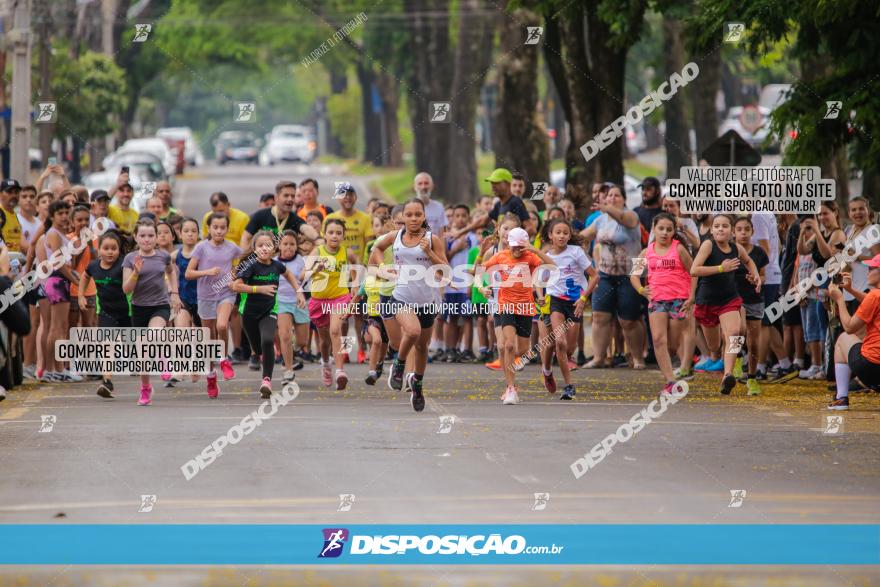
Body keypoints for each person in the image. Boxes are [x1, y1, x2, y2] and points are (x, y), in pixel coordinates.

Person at [369, 198, 447, 412]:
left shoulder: (433, 239)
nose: (413, 219)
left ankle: (417, 386)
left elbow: (445, 271)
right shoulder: (395, 236)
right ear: (402, 217)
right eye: (409, 215)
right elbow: (376, 248)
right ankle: (399, 364)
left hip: (427, 301)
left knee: (422, 347)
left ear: (424, 217)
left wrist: (429, 253)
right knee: (412, 332)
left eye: (418, 215)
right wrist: (384, 267)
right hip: (401, 296)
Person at [479, 227, 554, 404]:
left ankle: (511, 384)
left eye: (520, 247)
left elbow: (552, 267)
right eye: (514, 246)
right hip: (506, 305)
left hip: (526, 307)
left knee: (522, 351)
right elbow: (481, 270)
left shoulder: (531, 257)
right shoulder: (501, 256)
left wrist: (535, 250)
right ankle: (511, 388)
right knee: (508, 346)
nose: (517, 250)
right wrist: (482, 287)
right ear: (508, 244)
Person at [691, 214, 760, 395]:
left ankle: (727, 375)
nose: (721, 229)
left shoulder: (736, 248)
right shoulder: (708, 245)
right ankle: (723, 356)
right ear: (712, 230)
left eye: (725, 226)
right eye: (717, 226)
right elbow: (694, 270)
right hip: (707, 301)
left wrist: (755, 275)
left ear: (731, 231)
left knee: (735, 334)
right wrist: (721, 268)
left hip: (729, 299)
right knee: (714, 347)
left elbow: (749, 261)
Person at [579, 185, 645, 369]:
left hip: (629, 276)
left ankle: (638, 358)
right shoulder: (600, 221)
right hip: (605, 275)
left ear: (624, 199)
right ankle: (599, 358)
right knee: (599, 316)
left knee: (629, 320)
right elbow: (583, 236)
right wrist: (560, 235)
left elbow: (625, 219)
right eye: (609, 195)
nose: (613, 198)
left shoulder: (631, 216)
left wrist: (606, 207)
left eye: (617, 195)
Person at [232, 230, 305, 398]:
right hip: (249, 312)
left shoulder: (276, 265)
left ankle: (266, 381)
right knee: (257, 349)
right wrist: (259, 289)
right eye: (260, 246)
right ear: (254, 248)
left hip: (270, 310)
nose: (264, 249)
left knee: (267, 340)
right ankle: (262, 351)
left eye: (268, 245)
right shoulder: (250, 265)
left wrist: (299, 292)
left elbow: (289, 275)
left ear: (274, 248)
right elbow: (237, 286)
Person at [631, 213, 696, 395]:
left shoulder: (680, 249)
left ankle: (677, 364)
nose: (665, 233)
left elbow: (694, 272)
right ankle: (670, 381)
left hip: (679, 299)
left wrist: (692, 297)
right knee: (659, 340)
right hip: (657, 300)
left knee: (672, 344)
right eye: (661, 229)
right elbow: (634, 275)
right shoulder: (646, 251)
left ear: (674, 231)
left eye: (669, 229)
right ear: (654, 229)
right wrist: (641, 290)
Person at [122, 220, 181, 405]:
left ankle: (163, 358)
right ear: (136, 237)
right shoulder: (130, 259)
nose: (147, 240)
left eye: (150, 236)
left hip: (160, 305)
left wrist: (174, 292)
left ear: (156, 237)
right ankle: (146, 388)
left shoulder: (163, 256)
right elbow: (126, 289)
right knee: (142, 356)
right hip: (139, 308)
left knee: (155, 334)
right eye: (142, 236)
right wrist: (135, 273)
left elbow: (171, 273)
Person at [186, 213, 242, 397]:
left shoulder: (232, 247)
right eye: (215, 227)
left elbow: (245, 263)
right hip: (205, 297)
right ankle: (211, 376)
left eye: (222, 227)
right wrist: (207, 272)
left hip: (226, 293)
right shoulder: (201, 248)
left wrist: (235, 277)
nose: (219, 230)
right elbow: (188, 273)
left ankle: (224, 359)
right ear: (208, 229)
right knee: (208, 339)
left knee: (222, 325)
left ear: (227, 229)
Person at [541, 218, 596, 399]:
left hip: (575, 303)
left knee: (569, 348)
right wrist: (540, 298)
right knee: (560, 342)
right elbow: (539, 280)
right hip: (556, 301)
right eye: (558, 232)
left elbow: (595, 277)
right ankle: (567, 384)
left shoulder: (576, 252)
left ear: (570, 235)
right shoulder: (548, 256)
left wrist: (583, 299)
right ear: (551, 235)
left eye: (565, 233)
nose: (562, 236)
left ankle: (552, 370)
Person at [304, 219, 358, 390]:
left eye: (338, 233)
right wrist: (315, 270)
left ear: (343, 235)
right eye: (331, 232)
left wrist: (355, 284)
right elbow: (302, 275)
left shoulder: (346, 252)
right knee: (324, 341)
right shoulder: (317, 251)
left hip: (340, 298)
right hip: (319, 300)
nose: (335, 236)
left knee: (336, 330)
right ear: (324, 234)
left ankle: (340, 371)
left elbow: (356, 264)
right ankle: (326, 363)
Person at [796, 203, 845, 379]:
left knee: (830, 328)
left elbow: (827, 255)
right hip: (821, 285)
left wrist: (816, 231)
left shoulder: (837, 233)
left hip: (832, 283)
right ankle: (824, 367)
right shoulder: (820, 233)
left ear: (835, 213)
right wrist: (803, 232)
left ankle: (829, 368)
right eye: (820, 215)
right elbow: (802, 250)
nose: (823, 218)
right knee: (823, 326)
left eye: (826, 214)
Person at [80, 230, 129, 398]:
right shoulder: (93, 266)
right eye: (106, 248)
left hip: (127, 313)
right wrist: (81, 295)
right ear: (99, 249)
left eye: (113, 248)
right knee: (107, 346)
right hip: (106, 313)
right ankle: (107, 381)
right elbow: (85, 277)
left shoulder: (124, 264)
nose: (110, 252)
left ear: (119, 249)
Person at [827, 256, 880, 410]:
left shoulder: (874, 295)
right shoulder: (875, 296)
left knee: (843, 338)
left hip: (872, 366)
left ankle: (841, 398)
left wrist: (840, 299)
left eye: (871, 269)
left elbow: (849, 327)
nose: (867, 272)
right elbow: (872, 302)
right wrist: (850, 290)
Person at [732, 217, 768, 395]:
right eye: (739, 229)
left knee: (753, 343)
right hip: (733, 299)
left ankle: (752, 378)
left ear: (752, 232)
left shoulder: (759, 253)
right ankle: (736, 358)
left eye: (747, 229)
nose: (743, 233)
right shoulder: (729, 251)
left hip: (754, 299)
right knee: (737, 330)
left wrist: (756, 280)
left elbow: (763, 276)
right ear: (734, 232)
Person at [440, 204, 478, 362]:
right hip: (451, 286)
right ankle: (450, 349)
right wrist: (455, 248)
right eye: (457, 215)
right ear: (452, 218)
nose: (461, 218)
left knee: (467, 318)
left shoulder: (474, 238)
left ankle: (467, 349)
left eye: (464, 216)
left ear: (469, 219)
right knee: (452, 318)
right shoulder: (447, 238)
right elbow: (442, 260)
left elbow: (477, 259)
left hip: (467, 285)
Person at [168, 217, 201, 386]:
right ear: (179, 234)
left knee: (195, 336)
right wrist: (172, 291)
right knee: (181, 333)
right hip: (183, 298)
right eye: (186, 231)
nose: (189, 234)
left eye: (193, 231)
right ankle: (179, 369)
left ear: (198, 234)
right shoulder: (175, 255)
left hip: (201, 300)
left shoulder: (202, 253)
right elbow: (167, 270)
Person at [242, 180, 318, 250]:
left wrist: (318, 238)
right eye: (286, 195)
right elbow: (245, 238)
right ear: (276, 198)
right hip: (263, 259)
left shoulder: (295, 219)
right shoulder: (260, 215)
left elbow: (306, 228)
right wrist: (245, 259)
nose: (290, 199)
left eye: (292, 196)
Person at [454, 169, 530, 237]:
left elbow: (531, 228)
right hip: (502, 250)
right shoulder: (498, 205)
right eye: (492, 183)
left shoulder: (515, 202)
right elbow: (482, 221)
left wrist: (514, 242)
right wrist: (459, 232)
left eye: (497, 183)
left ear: (507, 184)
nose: (493, 186)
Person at [275, 230, 309, 382]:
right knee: (285, 335)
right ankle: (288, 369)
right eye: (285, 244)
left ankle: (290, 352)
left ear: (296, 246)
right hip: (281, 301)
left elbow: (304, 277)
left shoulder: (301, 260)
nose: (288, 247)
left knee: (302, 342)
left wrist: (313, 272)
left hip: (299, 301)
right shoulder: (274, 261)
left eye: (292, 244)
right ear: (279, 246)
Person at [0, 179, 22, 252]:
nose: (14, 195)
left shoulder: (15, 215)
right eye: (9, 192)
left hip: (15, 260)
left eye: (16, 192)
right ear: (0, 194)